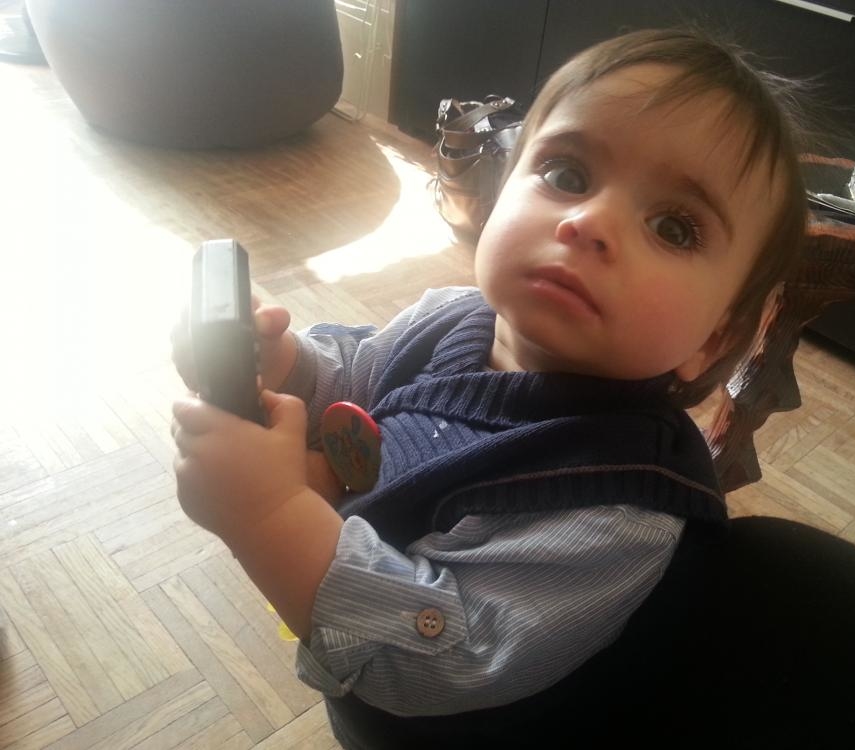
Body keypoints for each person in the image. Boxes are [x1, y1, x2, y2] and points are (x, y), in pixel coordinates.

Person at [171, 27, 817, 747]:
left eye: (673, 227)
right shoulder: (452, 316)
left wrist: (267, 515)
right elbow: (360, 382)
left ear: (713, 341)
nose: (590, 222)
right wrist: (282, 365)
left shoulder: (621, 502)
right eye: (567, 175)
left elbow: (443, 662)